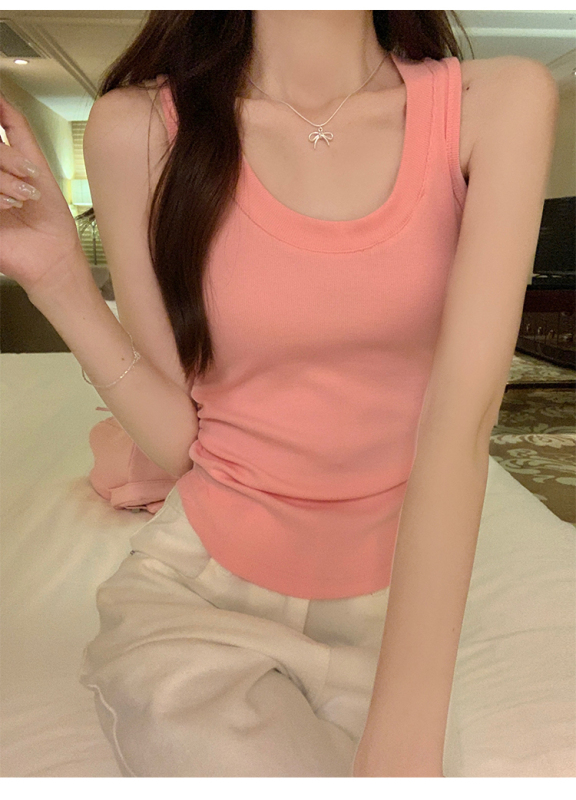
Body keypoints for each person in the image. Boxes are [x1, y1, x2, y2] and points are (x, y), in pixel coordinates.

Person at [0, 10, 559, 778]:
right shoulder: (137, 129)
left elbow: (461, 429)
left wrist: (405, 739)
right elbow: (182, 439)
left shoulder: (497, 106)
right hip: (201, 596)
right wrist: (60, 279)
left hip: (396, 609)